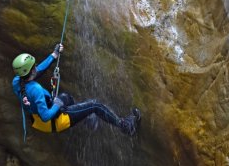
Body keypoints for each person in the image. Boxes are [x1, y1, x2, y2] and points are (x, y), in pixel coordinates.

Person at [11, 43, 141, 136]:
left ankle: (88, 121)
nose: (36, 67)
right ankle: (125, 126)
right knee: (95, 105)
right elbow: (46, 116)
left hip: (37, 121)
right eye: (35, 66)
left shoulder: (17, 81)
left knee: (66, 97)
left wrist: (54, 55)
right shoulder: (36, 90)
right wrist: (57, 104)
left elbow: (37, 71)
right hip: (54, 122)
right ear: (31, 70)